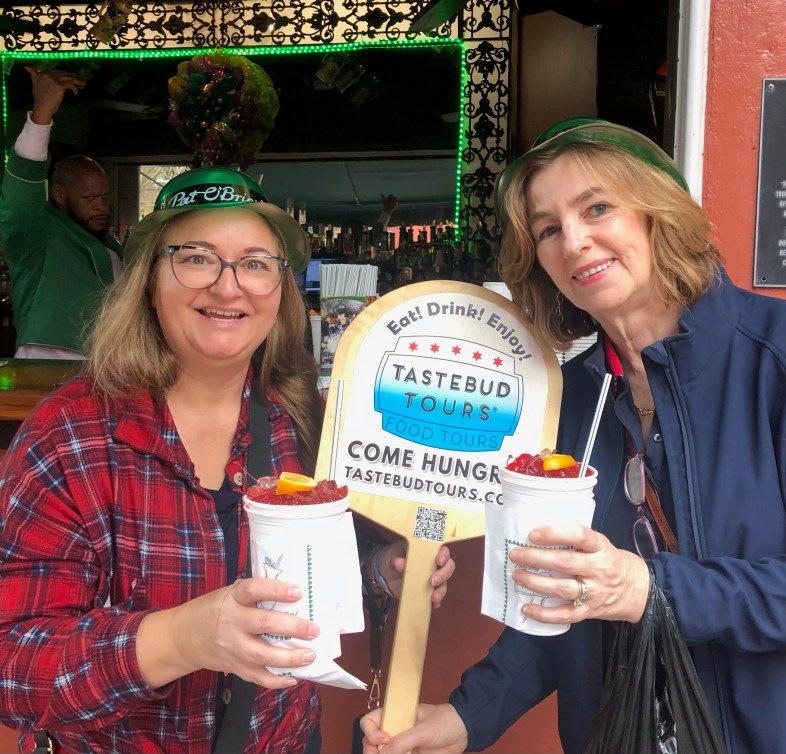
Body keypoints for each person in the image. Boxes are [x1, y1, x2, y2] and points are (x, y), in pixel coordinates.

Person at [360, 117, 786, 754]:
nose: (573, 241)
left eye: (597, 207)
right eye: (547, 229)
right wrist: (465, 718)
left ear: (655, 213)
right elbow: (555, 601)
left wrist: (650, 587)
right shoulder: (570, 398)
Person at [0, 166, 455, 753]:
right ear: (149, 278)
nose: (228, 286)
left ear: (280, 290)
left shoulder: (302, 419)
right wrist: (185, 638)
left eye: (257, 263)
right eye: (196, 257)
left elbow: (321, 577)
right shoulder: (69, 435)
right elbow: (13, 667)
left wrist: (381, 570)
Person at [0, 66, 122, 358]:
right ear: (59, 195)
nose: (100, 205)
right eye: (89, 197)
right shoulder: (38, 232)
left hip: (109, 365)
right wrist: (41, 116)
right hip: (48, 367)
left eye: (104, 196)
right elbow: (19, 195)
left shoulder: (110, 244)